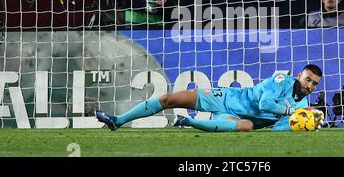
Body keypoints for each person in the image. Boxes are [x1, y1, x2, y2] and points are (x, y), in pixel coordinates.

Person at [95, 64, 324, 132]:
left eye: (314, 83)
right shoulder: (281, 80)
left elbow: (278, 130)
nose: (310, 85)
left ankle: (188, 122)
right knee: (168, 99)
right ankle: (118, 120)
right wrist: (290, 113)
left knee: (246, 126)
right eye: (308, 80)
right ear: (299, 76)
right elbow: (265, 104)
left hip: (235, 118)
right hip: (225, 98)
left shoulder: (302, 106)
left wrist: (307, 124)